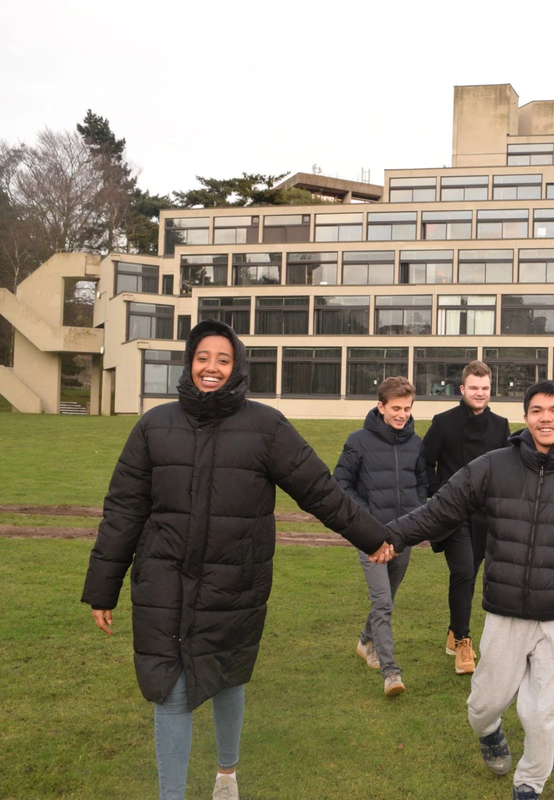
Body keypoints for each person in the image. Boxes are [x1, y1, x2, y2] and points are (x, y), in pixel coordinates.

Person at [81, 320, 393, 800]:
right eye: (203, 357)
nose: (212, 368)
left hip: (234, 582)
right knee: (170, 689)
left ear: (237, 366)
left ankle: (226, 775)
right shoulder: (153, 426)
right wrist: (103, 587)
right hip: (163, 580)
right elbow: (123, 511)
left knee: (226, 679)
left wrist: (371, 535)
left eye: (223, 360)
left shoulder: (266, 426)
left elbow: (319, 490)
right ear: (190, 362)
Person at [385, 380, 554, 800]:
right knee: (483, 705)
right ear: (525, 417)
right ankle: (489, 730)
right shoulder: (493, 466)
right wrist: (392, 535)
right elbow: (442, 509)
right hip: (506, 612)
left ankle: (529, 784)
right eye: (537, 410)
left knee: (541, 710)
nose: (546, 418)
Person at [333, 376, 426, 696]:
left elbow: (422, 484)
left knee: (387, 600)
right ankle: (391, 672)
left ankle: (365, 640)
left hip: (403, 537)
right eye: (396, 408)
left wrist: (416, 515)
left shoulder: (416, 443)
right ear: (381, 406)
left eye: (407, 408)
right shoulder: (358, 441)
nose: (402, 414)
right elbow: (340, 483)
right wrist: (367, 521)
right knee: (383, 602)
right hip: (371, 537)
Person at [422, 360, 510, 675]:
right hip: (452, 514)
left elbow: (505, 470)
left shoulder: (500, 425)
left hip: (484, 517)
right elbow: (424, 463)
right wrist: (440, 493)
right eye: (474, 388)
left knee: (469, 577)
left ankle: (452, 631)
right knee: (462, 572)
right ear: (462, 389)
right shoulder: (443, 422)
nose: (480, 393)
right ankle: (462, 641)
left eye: (485, 388)